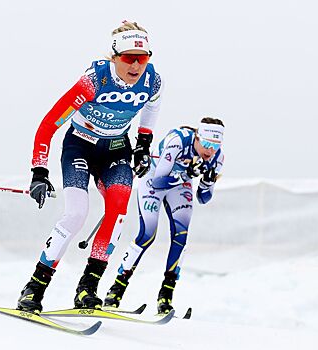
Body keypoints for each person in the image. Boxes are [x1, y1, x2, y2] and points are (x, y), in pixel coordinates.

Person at [18, 21, 163, 314]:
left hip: (116, 150)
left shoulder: (152, 81)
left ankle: (88, 288)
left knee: (119, 212)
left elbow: (152, 106)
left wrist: (144, 144)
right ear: (114, 57)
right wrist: (39, 171)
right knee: (76, 214)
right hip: (80, 146)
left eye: (142, 58)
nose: (136, 66)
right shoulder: (94, 80)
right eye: (128, 58)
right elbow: (49, 124)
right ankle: (34, 287)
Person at [103, 117, 225, 314]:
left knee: (181, 237)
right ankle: (116, 290)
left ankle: (166, 296)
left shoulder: (217, 157)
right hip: (153, 180)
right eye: (207, 144)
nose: (210, 151)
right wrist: (189, 171)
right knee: (147, 235)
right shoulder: (177, 140)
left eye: (215, 145)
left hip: (179, 185)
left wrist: (208, 183)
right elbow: (159, 180)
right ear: (197, 137)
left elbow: (203, 198)